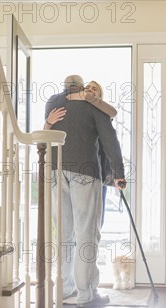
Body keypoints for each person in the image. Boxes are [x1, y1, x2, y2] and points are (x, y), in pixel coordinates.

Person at [44, 75, 126, 308]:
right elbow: (110, 141)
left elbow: (48, 132)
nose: (90, 91)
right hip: (85, 172)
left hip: (55, 171)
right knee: (86, 235)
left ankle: (63, 290)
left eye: (94, 89)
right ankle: (86, 295)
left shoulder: (52, 102)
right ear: (81, 88)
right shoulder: (93, 106)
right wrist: (119, 173)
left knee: (64, 235)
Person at [46, 80, 118, 227]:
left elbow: (113, 113)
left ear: (99, 95)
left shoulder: (101, 111)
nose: (90, 90)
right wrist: (48, 122)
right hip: (78, 169)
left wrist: (117, 173)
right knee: (73, 221)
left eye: (95, 89)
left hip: (98, 172)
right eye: (88, 87)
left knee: (95, 220)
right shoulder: (75, 110)